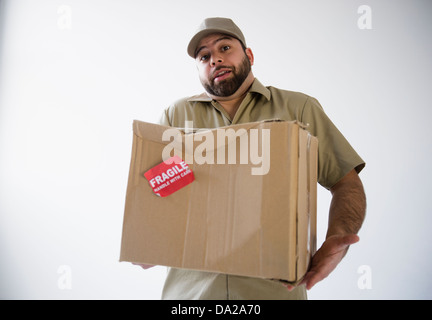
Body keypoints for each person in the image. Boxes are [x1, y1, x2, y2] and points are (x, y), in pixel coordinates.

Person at [141, 17, 367, 300]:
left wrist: (338, 237)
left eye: (225, 48)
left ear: (248, 55)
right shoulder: (176, 117)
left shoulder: (298, 109)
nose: (215, 59)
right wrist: (146, 236)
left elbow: (345, 182)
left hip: (273, 293)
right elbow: (156, 194)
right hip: (192, 297)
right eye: (204, 56)